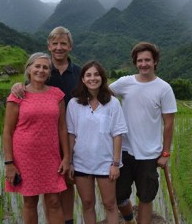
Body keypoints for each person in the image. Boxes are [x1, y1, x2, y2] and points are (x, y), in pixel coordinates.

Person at [12, 26, 80, 224]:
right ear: (49, 45)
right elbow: (29, 87)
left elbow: (94, 91)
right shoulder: (43, 68)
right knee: (41, 193)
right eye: (55, 43)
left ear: (70, 47)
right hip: (41, 141)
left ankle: (68, 220)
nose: (59, 47)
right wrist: (16, 85)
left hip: (70, 136)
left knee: (66, 183)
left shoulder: (78, 72)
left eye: (63, 44)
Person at [110, 42, 177, 224]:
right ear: (135, 62)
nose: (143, 64)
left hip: (149, 153)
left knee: (146, 197)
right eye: (140, 60)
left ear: (155, 62)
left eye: (148, 60)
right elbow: (102, 94)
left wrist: (165, 153)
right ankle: (130, 219)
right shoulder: (125, 83)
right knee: (119, 195)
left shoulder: (164, 88)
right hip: (124, 150)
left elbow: (169, 124)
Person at [3, 52, 70, 223]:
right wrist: (9, 163)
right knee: (30, 202)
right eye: (37, 66)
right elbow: (8, 132)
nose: (41, 70)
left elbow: (62, 127)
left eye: (45, 67)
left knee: (54, 202)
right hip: (25, 158)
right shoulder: (18, 95)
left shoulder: (57, 94)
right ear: (29, 69)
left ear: (49, 72)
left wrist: (66, 157)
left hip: (51, 156)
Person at [67, 61, 128, 224]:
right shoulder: (74, 103)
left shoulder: (113, 103)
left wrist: (115, 163)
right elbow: (71, 134)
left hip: (105, 162)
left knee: (109, 203)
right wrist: (70, 161)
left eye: (96, 74)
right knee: (87, 203)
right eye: (88, 75)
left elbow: (117, 134)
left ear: (102, 78)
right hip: (81, 162)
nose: (92, 78)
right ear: (83, 79)